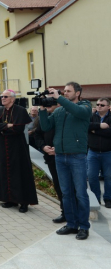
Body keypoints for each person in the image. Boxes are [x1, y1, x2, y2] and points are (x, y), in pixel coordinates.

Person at [39, 82, 92, 240]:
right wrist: (42, 109)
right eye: (64, 91)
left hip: (77, 156)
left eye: (68, 91)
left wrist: (59, 98)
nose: (65, 93)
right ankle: (71, 223)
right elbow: (46, 126)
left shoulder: (85, 106)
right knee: (66, 193)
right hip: (60, 156)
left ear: (77, 93)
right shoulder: (60, 110)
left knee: (81, 193)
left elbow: (76, 111)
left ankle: (83, 226)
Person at [0, 89, 38, 213]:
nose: (3, 98)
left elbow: (18, 129)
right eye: (1, 97)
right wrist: (7, 126)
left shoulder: (20, 110)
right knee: (5, 172)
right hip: (3, 146)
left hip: (17, 147)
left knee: (19, 173)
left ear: (12, 99)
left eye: (5, 97)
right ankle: (9, 199)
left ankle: (24, 202)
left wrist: (3, 129)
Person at [34, 103, 65, 223]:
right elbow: (37, 134)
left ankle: (75, 214)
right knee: (58, 185)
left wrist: (59, 148)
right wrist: (43, 146)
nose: (49, 106)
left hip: (65, 155)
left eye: (53, 103)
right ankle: (65, 212)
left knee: (69, 187)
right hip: (50, 156)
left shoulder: (65, 116)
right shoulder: (45, 118)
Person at [87, 98, 111, 208]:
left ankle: (108, 198)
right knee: (92, 176)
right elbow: (86, 126)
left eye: (102, 105)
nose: (99, 106)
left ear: (108, 107)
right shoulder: (91, 116)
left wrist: (95, 130)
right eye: (97, 104)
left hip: (108, 152)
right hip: (93, 152)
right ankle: (96, 198)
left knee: (108, 177)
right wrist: (100, 127)